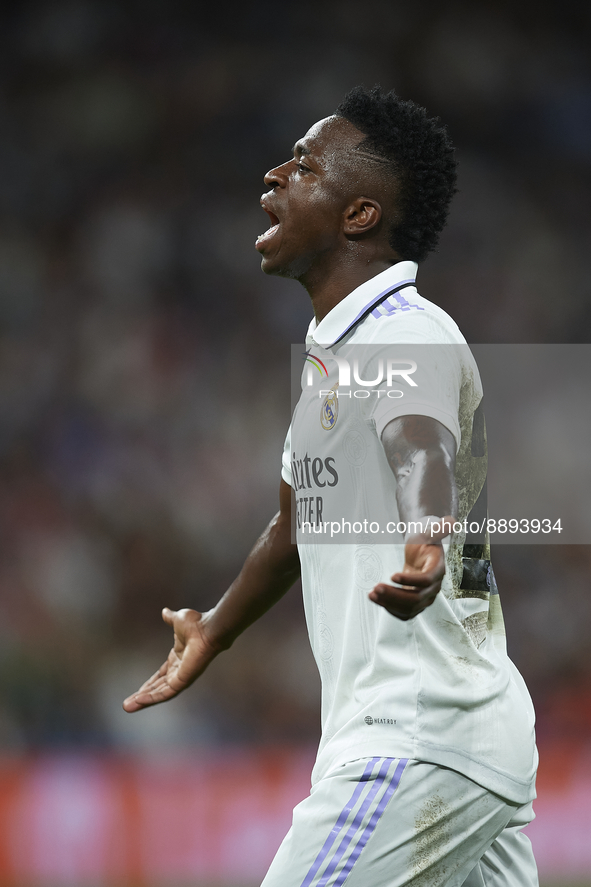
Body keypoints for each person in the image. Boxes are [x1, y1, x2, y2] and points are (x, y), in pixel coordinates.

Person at [123, 86, 538, 886]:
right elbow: (291, 528)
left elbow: (423, 449)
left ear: (358, 216)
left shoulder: (404, 332)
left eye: (304, 165)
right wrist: (215, 627)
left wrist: (424, 538)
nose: (273, 177)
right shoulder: (335, 358)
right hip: (457, 736)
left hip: (417, 732)